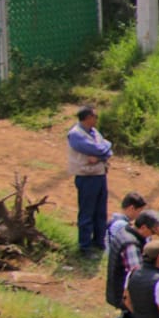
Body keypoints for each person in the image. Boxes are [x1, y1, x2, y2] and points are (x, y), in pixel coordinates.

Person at [66, 105, 113, 254]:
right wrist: (103, 152)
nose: (97, 119)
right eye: (95, 116)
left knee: (100, 211)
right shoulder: (76, 134)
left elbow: (108, 148)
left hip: (99, 175)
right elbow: (100, 149)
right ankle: (84, 246)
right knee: (87, 212)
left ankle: (99, 242)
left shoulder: (94, 132)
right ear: (88, 118)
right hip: (86, 177)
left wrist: (100, 155)